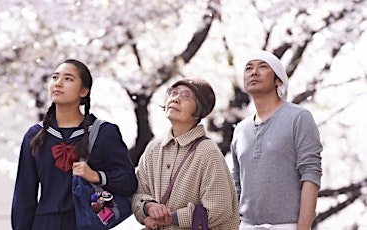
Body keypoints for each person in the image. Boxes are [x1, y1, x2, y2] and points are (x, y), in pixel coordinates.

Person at [11, 59, 137, 230]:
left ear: (84, 91)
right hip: (45, 224)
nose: (58, 83)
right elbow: (24, 196)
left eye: (68, 79)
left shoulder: (104, 132)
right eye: (55, 77)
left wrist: (97, 176)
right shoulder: (35, 135)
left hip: (88, 222)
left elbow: (129, 181)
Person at [231, 50, 323, 230]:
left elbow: (310, 174)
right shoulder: (240, 129)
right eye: (248, 68)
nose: (254, 72)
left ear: (279, 80)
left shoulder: (299, 117)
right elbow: (236, 185)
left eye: (263, 67)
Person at [132, 77, 240, 230]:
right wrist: (148, 207)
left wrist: (171, 218)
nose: (175, 99)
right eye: (173, 93)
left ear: (199, 111)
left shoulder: (207, 151)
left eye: (186, 96)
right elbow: (138, 193)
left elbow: (218, 209)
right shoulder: (153, 148)